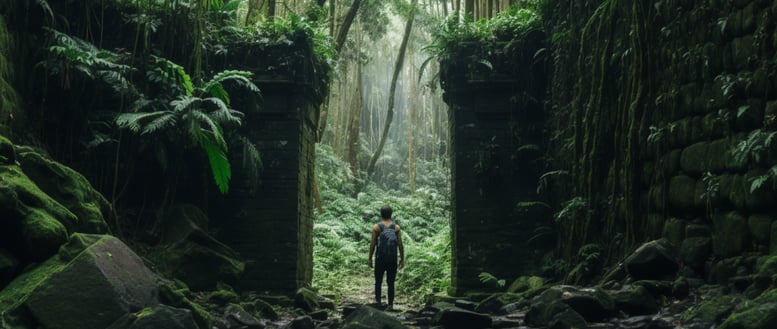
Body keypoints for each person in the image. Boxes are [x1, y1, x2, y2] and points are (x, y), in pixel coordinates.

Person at [368, 205, 405, 309]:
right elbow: (400, 244)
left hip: (380, 258)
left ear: (381, 214)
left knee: (378, 281)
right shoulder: (396, 227)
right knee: (391, 282)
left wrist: (370, 258)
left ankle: (378, 302)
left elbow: (372, 244)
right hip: (392, 259)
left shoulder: (376, 227)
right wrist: (402, 258)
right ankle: (390, 304)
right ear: (391, 214)